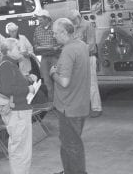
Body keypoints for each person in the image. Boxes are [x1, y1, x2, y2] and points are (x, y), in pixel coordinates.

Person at [50, 18, 90, 174]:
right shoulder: (81, 45)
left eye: (55, 33)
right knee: (68, 143)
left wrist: (53, 73)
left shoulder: (68, 50)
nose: (54, 36)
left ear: (64, 32)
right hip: (79, 103)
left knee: (72, 145)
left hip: (69, 107)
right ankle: (69, 171)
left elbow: (64, 82)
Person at [0, 38, 34, 174]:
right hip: (17, 112)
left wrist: (27, 81)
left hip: (18, 110)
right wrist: (29, 89)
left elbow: (13, 85)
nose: (21, 50)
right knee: (20, 149)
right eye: (17, 48)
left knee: (22, 148)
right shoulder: (6, 65)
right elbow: (8, 90)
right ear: (9, 51)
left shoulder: (9, 64)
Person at [68, 10, 103, 118]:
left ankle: (96, 108)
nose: (73, 22)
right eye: (71, 20)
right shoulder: (73, 28)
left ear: (79, 17)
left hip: (88, 57)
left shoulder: (88, 25)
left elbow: (91, 44)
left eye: (74, 20)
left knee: (91, 84)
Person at [33, 9, 60, 102]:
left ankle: (60, 103)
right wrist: (49, 47)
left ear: (46, 19)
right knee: (47, 82)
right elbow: (35, 46)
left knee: (58, 81)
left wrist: (51, 48)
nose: (39, 21)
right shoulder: (37, 29)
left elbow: (60, 43)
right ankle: (52, 103)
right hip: (44, 58)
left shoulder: (56, 28)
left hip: (55, 58)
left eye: (40, 19)